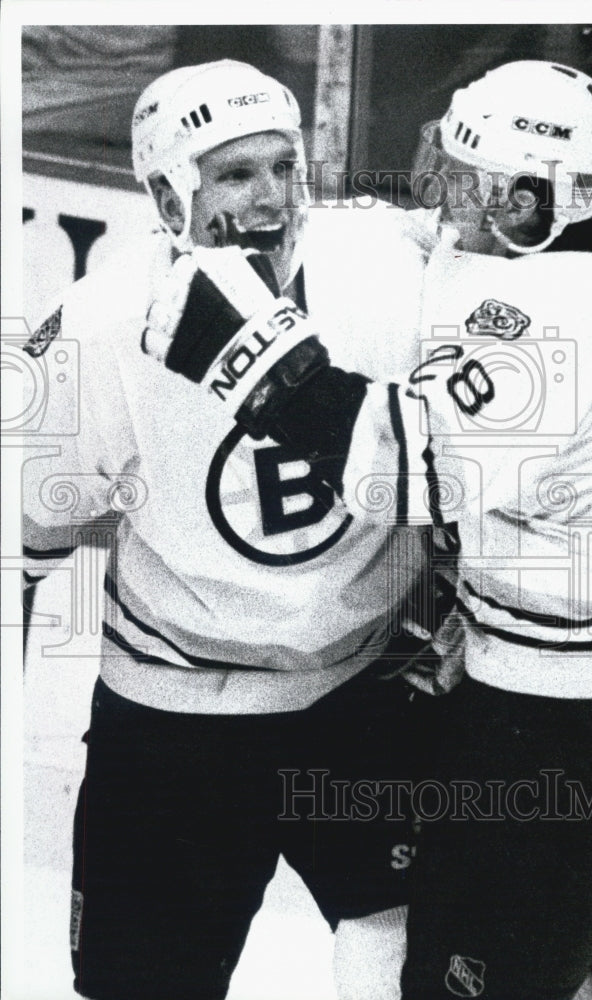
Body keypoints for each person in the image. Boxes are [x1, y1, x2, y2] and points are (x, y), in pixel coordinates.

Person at [183, 61, 592, 1000]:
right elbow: (463, 242)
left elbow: (401, 474)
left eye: (468, 181)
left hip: (572, 720)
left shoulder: (535, 319)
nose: (443, 195)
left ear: (528, 202)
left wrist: (252, 362)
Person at [22, 59, 453, 1000]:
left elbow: (474, 444)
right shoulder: (100, 326)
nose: (271, 200)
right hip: (176, 724)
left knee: (411, 948)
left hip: (360, 697)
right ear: (167, 190)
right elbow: (20, 533)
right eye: (235, 174)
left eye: (283, 167)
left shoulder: (388, 260)